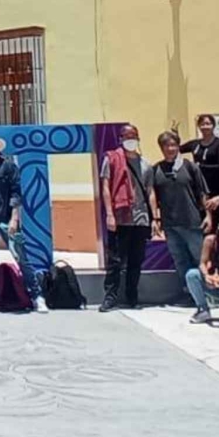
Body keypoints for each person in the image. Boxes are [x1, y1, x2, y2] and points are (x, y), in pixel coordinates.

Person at [0, 130, 48, 314]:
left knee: (21, 257)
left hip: (6, 218)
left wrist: (14, 218)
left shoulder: (8, 166)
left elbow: (16, 192)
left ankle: (36, 296)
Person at [149, 130, 209, 305]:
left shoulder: (190, 166)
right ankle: (190, 294)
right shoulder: (156, 170)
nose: (171, 148)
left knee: (199, 260)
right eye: (167, 145)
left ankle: (208, 294)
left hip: (192, 222)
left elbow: (202, 193)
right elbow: (153, 195)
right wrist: (155, 219)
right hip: (170, 225)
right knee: (180, 261)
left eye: (174, 145)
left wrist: (208, 216)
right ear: (161, 148)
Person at [99, 124, 152, 312]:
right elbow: (105, 187)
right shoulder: (112, 160)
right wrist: (110, 214)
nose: (131, 139)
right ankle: (110, 297)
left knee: (136, 260)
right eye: (127, 136)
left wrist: (154, 219)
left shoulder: (146, 164)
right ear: (120, 138)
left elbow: (150, 192)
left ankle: (132, 296)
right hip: (120, 217)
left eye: (134, 136)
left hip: (141, 219)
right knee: (115, 260)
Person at [180, 114, 219, 199]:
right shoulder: (195, 144)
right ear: (198, 126)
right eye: (202, 124)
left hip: (216, 186)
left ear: (213, 126)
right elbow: (177, 150)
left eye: (208, 124)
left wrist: (201, 166)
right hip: (198, 184)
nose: (205, 127)